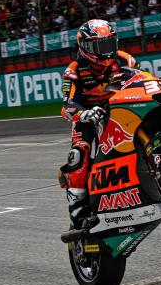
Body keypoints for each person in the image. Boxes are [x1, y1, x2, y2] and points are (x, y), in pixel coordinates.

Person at [58, 19, 139, 227]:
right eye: (100, 46)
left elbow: (140, 80)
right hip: (87, 117)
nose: (106, 51)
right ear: (85, 48)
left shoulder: (125, 60)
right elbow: (68, 104)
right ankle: (76, 206)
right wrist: (83, 114)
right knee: (79, 152)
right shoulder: (73, 70)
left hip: (117, 108)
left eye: (109, 43)